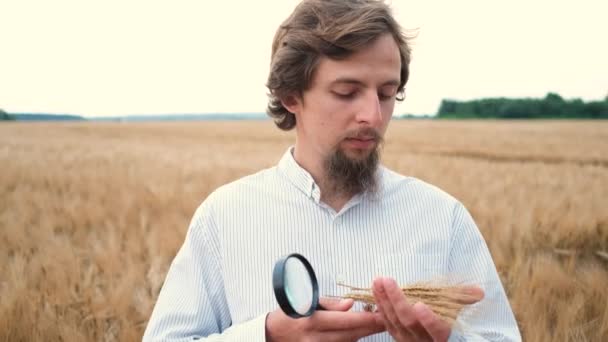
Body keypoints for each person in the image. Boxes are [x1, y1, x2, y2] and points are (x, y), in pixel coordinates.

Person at [143, 0, 521, 341]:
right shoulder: (224, 217)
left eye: (387, 94)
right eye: (347, 91)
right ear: (292, 95)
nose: (373, 116)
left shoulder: (443, 218)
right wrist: (268, 337)